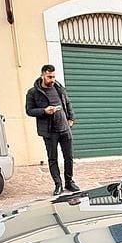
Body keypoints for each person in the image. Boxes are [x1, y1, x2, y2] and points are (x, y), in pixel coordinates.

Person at [25, 64, 80, 195]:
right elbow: (29, 110)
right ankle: (58, 184)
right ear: (42, 75)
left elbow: (67, 103)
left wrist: (71, 118)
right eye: (49, 77)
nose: (52, 79)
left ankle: (69, 182)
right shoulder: (33, 92)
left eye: (54, 76)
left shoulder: (59, 88)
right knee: (53, 158)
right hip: (49, 131)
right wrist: (44, 111)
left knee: (69, 157)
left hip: (65, 128)